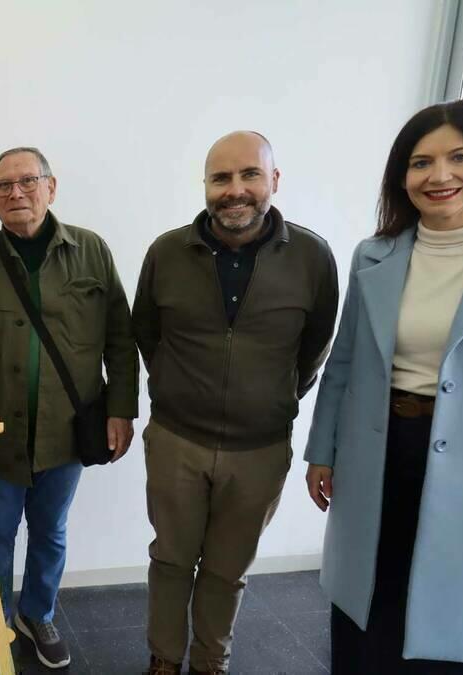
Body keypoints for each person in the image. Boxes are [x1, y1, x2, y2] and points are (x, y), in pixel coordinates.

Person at [305, 99, 463, 673]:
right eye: (421, 163)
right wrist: (323, 450)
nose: (439, 175)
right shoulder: (375, 254)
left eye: (459, 157)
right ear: (403, 177)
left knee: (448, 626)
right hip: (378, 451)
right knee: (366, 611)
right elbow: (343, 365)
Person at [133, 131, 338, 675]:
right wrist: (180, 390)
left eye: (249, 175)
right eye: (221, 178)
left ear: (274, 180)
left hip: (260, 449)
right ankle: (163, 658)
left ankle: (210, 662)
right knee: (171, 559)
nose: (235, 190)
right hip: (177, 440)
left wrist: (272, 398)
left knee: (228, 569)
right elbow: (147, 336)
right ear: (206, 185)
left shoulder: (312, 257)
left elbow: (315, 346)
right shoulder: (167, 253)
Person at [0, 147, 138, 670]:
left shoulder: (91, 251)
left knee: (50, 530)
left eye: (28, 180)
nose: (16, 192)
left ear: (52, 188)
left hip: (68, 429)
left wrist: (122, 408)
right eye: (3, 186)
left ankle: (37, 612)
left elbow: (121, 337)